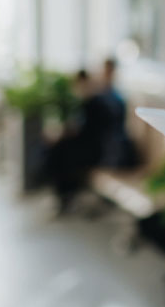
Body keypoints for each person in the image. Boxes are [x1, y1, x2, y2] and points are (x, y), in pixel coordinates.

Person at [41, 58, 128, 215]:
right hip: (98, 145)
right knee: (58, 150)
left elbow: (94, 129)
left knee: (61, 153)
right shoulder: (100, 96)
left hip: (106, 149)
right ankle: (64, 196)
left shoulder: (110, 98)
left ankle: (65, 196)